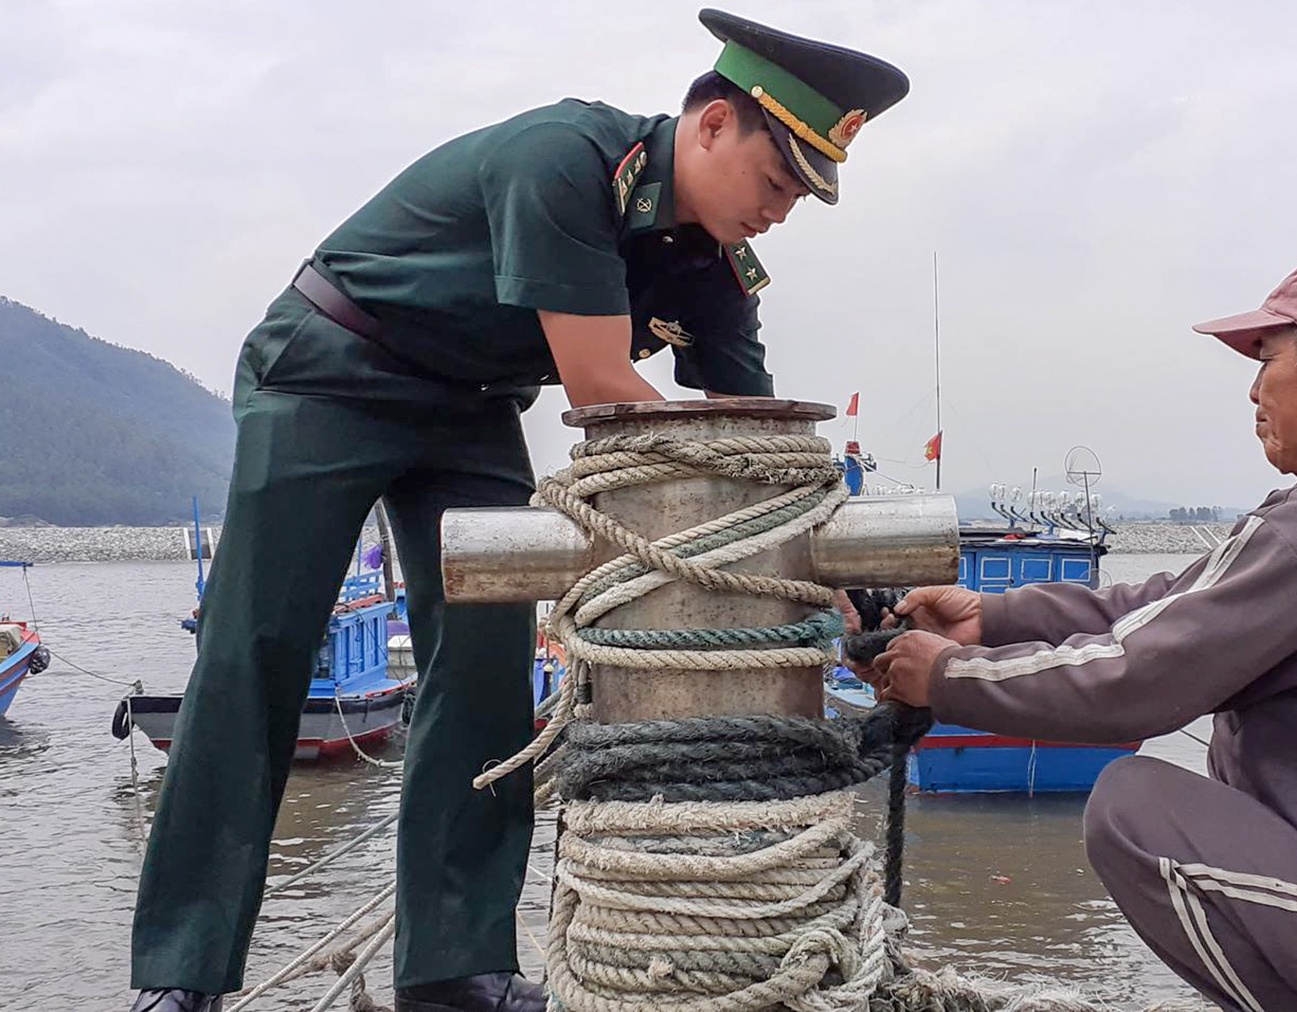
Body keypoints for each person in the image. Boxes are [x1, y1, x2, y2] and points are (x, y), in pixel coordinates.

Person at [129, 10, 909, 1012]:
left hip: (470, 409)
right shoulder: (568, 162)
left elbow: (744, 439)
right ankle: (180, 977)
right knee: (256, 652)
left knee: (487, 672)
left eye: (799, 196)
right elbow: (600, 386)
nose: (781, 212)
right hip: (330, 369)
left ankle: (453, 967)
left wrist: (832, 581)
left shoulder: (713, 264)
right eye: (776, 181)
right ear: (714, 124)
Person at [869, 247, 1297, 1012]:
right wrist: (993, 617)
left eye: (1267, 360)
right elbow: (1174, 601)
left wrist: (947, 677)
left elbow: (1134, 682)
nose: (1255, 390)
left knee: (1133, 809)